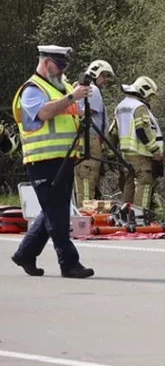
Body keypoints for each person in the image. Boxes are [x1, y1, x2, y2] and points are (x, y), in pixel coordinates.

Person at [9, 45, 95, 278]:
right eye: (59, 66)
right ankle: (69, 263)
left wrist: (75, 95)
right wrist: (71, 97)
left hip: (62, 159)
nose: (63, 70)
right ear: (46, 63)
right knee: (57, 214)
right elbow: (44, 113)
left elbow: (68, 112)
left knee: (53, 210)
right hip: (42, 161)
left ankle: (25, 253)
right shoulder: (32, 89)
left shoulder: (61, 86)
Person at [114, 76, 163, 211]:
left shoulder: (121, 106)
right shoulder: (139, 107)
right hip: (141, 154)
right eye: (150, 96)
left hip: (125, 154)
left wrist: (111, 154)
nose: (149, 99)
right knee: (145, 183)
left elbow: (112, 131)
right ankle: (139, 217)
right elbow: (142, 131)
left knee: (128, 185)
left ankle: (126, 215)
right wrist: (155, 151)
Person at [74, 59, 115, 207]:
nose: (105, 80)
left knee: (89, 180)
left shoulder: (80, 87)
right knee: (87, 179)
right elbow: (86, 113)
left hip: (88, 141)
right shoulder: (92, 89)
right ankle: (85, 213)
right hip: (90, 141)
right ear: (95, 72)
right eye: (103, 76)